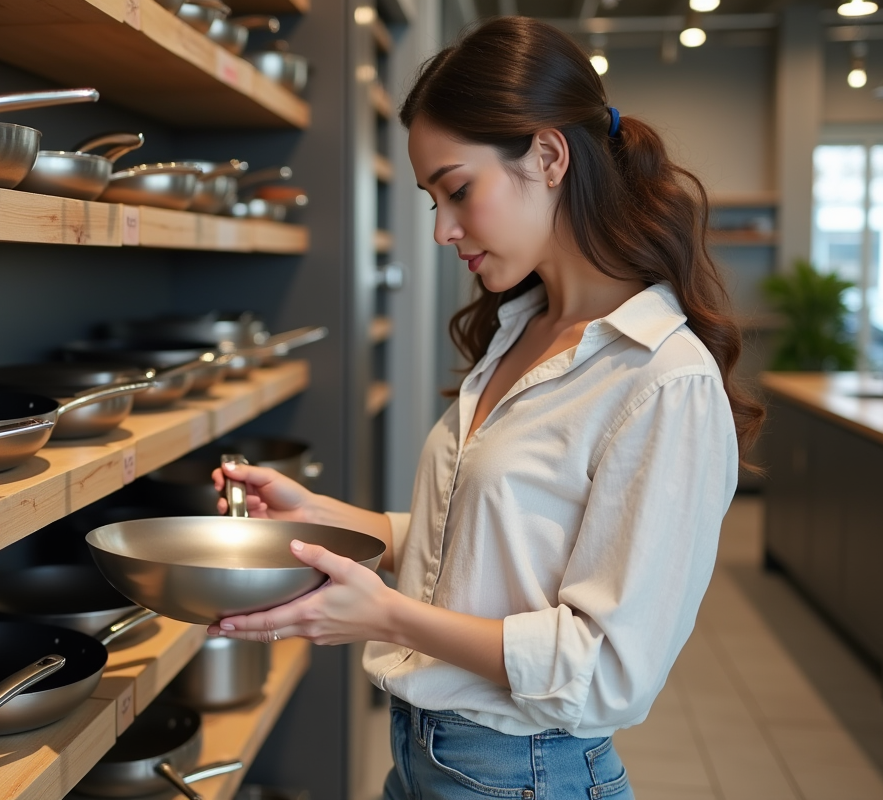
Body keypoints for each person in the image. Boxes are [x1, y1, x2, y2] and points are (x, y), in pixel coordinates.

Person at [208, 15, 764, 800]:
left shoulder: (663, 379)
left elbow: (608, 672)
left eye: (458, 190)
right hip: (428, 756)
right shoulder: (523, 331)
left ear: (547, 155)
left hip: (526, 774)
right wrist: (322, 522)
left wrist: (387, 618)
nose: (442, 229)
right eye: (432, 198)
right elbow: (480, 551)